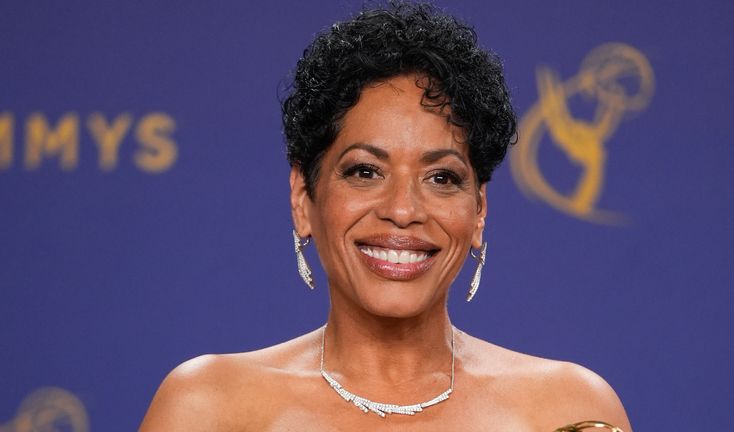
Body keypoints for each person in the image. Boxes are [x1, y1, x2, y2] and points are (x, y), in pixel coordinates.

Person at [140, 2, 632, 431]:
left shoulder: (567, 410)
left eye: (441, 178)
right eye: (365, 171)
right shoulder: (207, 409)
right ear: (302, 198)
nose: (402, 210)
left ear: (479, 210)